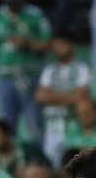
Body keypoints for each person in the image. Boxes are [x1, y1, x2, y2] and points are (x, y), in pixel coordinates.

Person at [0, 0, 51, 140]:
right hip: (5, 77)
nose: (11, 5)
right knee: (6, 125)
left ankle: (37, 160)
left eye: (14, 1)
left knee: (34, 124)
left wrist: (28, 43)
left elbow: (47, 45)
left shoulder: (35, 15)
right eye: (7, 1)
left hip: (29, 75)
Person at [36, 31, 92, 168]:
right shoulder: (49, 70)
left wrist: (52, 97)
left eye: (63, 44)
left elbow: (80, 97)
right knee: (52, 166)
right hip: (52, 126)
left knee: (75, 165)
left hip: (73, 125)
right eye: (57, 44)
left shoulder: (82, 69)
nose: (59, 47)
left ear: (72, 46)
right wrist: (68, 96)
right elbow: (40, 96)